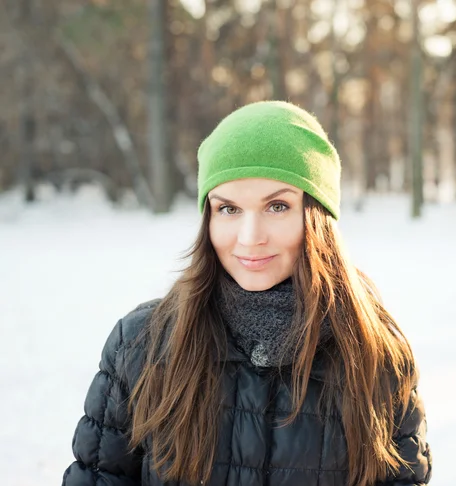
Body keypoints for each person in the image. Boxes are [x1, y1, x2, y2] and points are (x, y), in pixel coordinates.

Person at [62, 101, 432, 486]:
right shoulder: (141, 344)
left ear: (318, 217)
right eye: (228, 209)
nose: (250, 237)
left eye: (277, 206)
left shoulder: (376, 355)